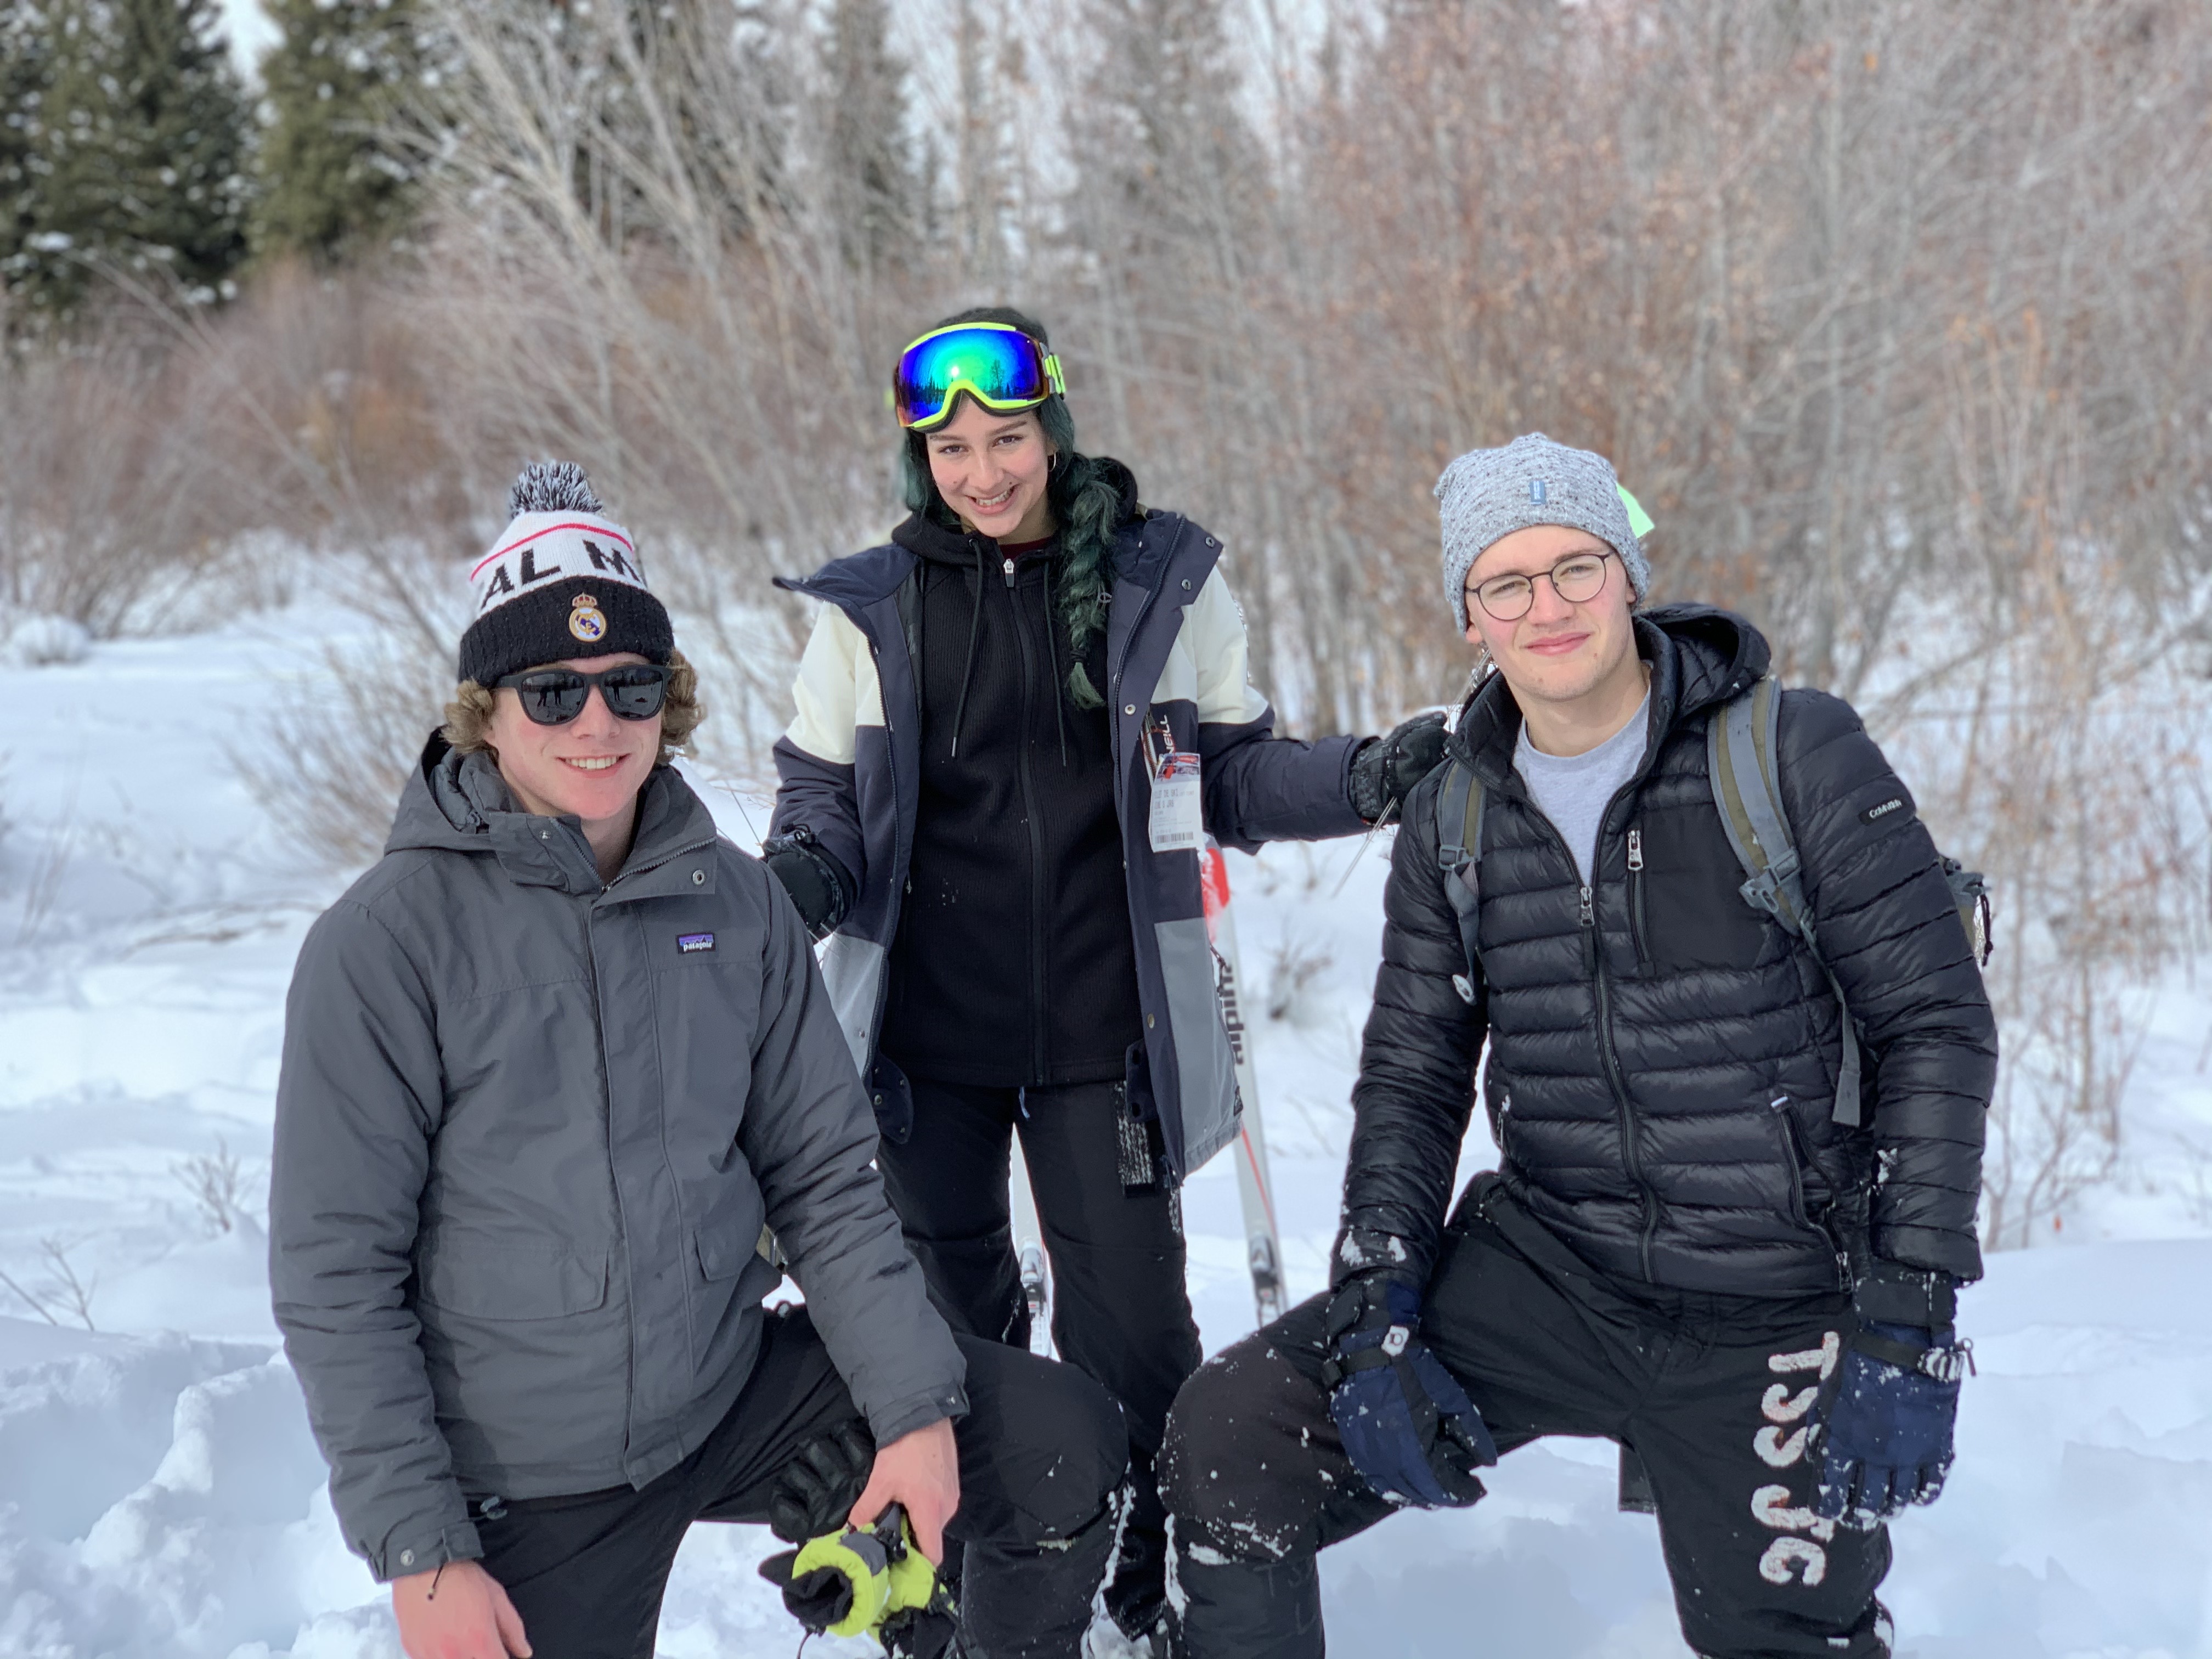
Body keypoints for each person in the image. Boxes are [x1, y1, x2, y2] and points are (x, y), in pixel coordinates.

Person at [269, 462, 1130, 1659]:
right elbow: (334, 1280)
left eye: (628, 685)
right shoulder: (383, 943)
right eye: (550, 691)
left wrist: (909, 1410)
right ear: (487, 709)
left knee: (1054, 1444)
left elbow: (826, 1183)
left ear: (665, 698)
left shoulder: (733, 905)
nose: (594, 722)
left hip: (731, 1399)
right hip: (529, 1474)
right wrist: (422, 1551)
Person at [1159, 434, 1996, 1658]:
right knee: (1231, 1440)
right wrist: (1377, 1303)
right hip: (1554, 1270)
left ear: (1628, 575)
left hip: (1776, 1295)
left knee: (1779, 1636)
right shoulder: (1453, 806)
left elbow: (1933, 1024)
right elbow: (1413, 1071)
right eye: (1507, 582)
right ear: (1470, 617)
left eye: (1576, 567)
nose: (1546, 606)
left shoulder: (1791, 753)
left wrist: (1911, 1312)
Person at [762, 308, 1445, 1651]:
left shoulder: (1161, 583)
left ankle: (1151, 1588)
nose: (982, 469)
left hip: (1103, 1036)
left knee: (1133, 1334)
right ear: (920, 459)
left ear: (1053, 428)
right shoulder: (871, 609)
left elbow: (1235, 774)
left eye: (1006, 436)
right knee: (950, 1336)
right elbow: (824, 810)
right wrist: (788, 888)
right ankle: (968, 1588)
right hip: (924, 1053)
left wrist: (1365, 776)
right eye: (950, 446)